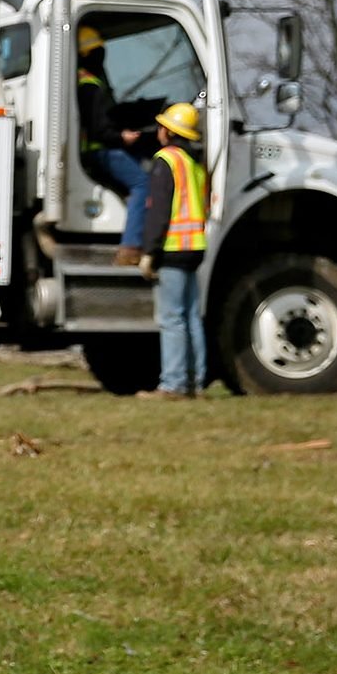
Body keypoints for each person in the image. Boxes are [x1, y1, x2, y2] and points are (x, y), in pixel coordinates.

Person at [138, 101, 214, 396]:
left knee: (171, 319)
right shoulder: (193, 165)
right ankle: (196, 382)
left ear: (168, 132)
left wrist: (149, 252)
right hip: (195, 248)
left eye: (162, 126)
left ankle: (173, 384)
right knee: (192, 317)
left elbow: (158, 211)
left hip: (172, 250)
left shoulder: (165, 162)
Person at [75, 25, 156, 261]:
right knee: (142, 183)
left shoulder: (82, 81)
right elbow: (100, 130)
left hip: (92, 150)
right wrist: (122, 137)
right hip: (100, 152)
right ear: (89, 55)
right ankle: (131, 247)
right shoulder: (90, 86)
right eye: (97, 52)